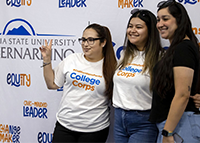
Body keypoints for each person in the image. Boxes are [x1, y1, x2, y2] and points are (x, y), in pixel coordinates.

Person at [39, 23, 117, 143]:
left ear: (103, 42)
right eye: (83, 40)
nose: (86, 44)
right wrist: (46, 60)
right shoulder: (72, 59)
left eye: (91, 40)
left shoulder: (112, 67)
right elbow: (52, 84)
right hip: (65, 126)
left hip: (94, 130)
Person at [149, 0, 200, 143]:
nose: (160, 24)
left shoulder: (183, 48)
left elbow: (183, 94)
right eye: (158, 20)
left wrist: (168, 131)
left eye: (165, 19)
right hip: (174, 125)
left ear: (179, 20)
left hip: (179, 127)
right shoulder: (177, 49)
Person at [112, 9, 164, 143]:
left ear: (150, 31)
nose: (132, 30)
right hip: (118, 119)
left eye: (138, 27)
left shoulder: (160, 58)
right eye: (130, 26)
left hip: (144, 121)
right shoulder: (124, 55)